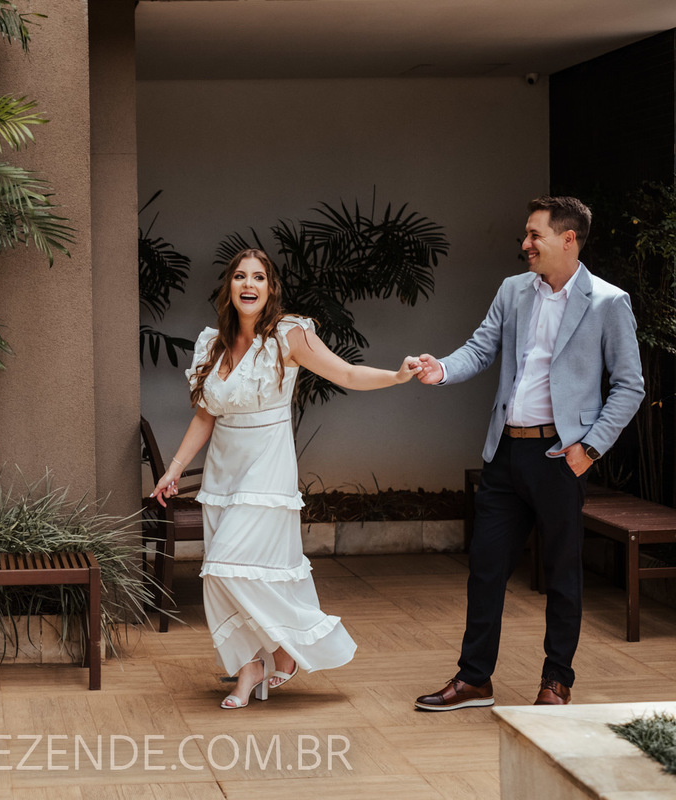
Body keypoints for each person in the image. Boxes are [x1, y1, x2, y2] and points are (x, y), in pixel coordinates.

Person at [151, 248, 421, 709]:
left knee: (228, 566)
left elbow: (347, 372)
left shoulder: (289, 335)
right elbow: (205, 415)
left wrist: (396, 377)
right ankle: (249, 667)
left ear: (270, 288)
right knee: (221, 574)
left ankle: (283, 649)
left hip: (267, 471)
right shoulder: (213, 343)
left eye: (259, 277)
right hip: (222, 474)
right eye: (240, 276)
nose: (249, 284)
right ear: (229, 287)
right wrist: (173, 470)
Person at [413, 196, 644, 710]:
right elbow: (480, 348)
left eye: (535, 235)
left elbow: (630, 386)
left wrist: (590, 448)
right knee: (485, 569)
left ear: (569, 239)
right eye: (526, 234)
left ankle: (556, 680)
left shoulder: (608, 303)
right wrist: (441, 369)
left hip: (561, 457)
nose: (525, 244)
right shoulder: (513, 290)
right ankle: (474, 679)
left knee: (563, 572)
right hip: (505, 453)